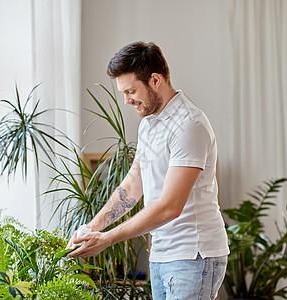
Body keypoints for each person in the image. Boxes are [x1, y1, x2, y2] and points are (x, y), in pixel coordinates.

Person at [67, 41, 229, 300]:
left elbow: (170, 206)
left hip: (193, 256)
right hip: (163, 255)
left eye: (131, 91)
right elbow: (132, 185)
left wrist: (107, 239)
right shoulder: (150, 124)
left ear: (155, 80)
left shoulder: (189, 124)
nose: (127, 100)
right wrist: (92, 227)